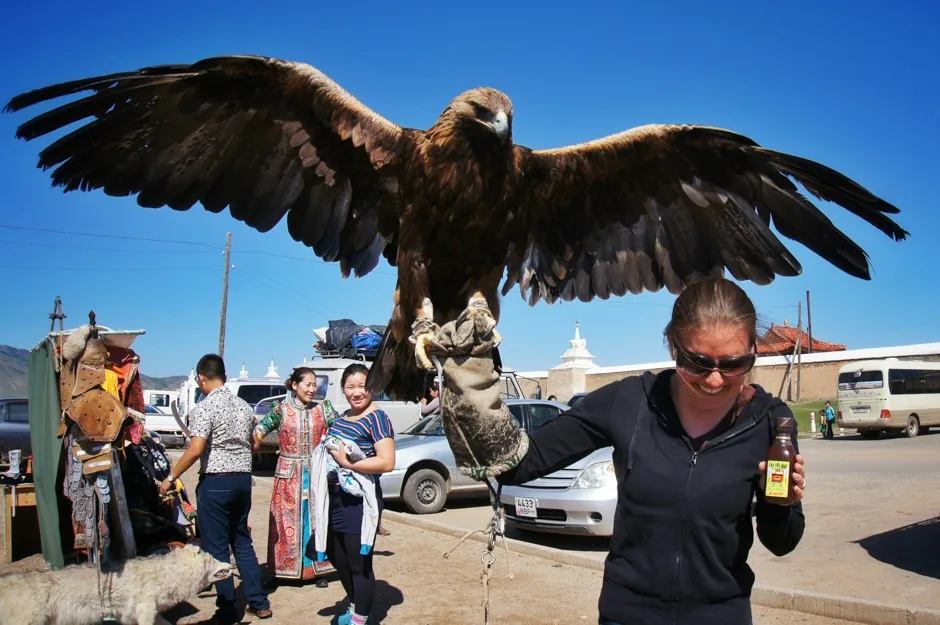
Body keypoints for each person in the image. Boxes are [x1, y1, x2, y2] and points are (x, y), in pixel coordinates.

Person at [494, 277, 807, 625]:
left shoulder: (771, 422)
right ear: (673, 347)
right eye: (698, 362)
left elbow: (782, 543)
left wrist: (780, 504)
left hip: (721, 615)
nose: (714, 380)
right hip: (628, 614)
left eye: (733, 364)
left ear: (752, 350)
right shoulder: (630, 401)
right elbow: (519, 462)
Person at [159, 354, 271, 623]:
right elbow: (254, 444)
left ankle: (228, 607)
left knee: (217, 547)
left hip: (216, 482)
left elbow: (196, 449)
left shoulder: (204, 408)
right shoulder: (244, 407)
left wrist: (171, 476)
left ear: (201, 378)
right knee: (242, 541)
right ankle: (259, 602)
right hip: (243, 480)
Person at [252, 367, 338, 585]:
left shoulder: (323, 410)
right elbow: (259, 432)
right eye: (307, 384)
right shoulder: (280, 410)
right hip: (288, 474)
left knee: (316, 519)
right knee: (285, 522)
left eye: (314, 384)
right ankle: (282, 568)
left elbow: (341, 431)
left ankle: (317, 569)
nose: (312, 389)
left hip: (315, 472)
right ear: (295, 385)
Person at [326, 363, 396, 625]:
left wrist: (348, 463)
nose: (357, 392)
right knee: (337, 556)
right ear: (343, 388)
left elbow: (386, 462)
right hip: (335, 498)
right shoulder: (342, 417)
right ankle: (356, 604)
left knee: (359, 563)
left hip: (360, 501)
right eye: (350, 386)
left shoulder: (377, 418)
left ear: (373, 388)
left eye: (363, 386)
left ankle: (360, 618)